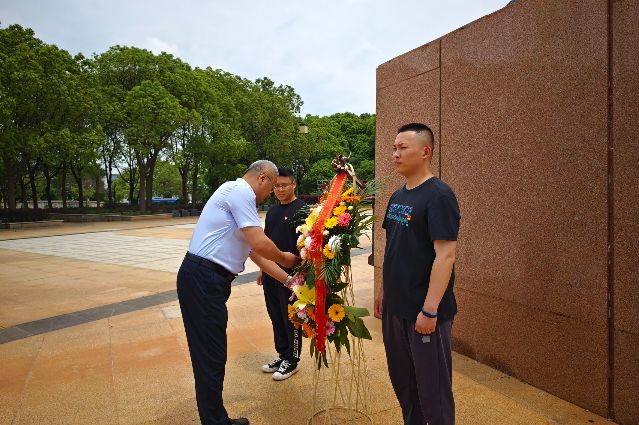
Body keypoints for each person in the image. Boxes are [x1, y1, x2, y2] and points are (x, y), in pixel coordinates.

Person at [177, 160, 299, 425]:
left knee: (211, 353)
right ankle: (216, 421)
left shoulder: (235, 196)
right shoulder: (240, 192)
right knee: (210, 354)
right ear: (263, 177)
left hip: (206, 280)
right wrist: (286, 258)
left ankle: (215, 418)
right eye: (271, 187)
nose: (270, 194)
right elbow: (260, 244)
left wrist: (289, 281)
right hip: (203, 279)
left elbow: (254, 253)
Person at [374, 123, 461, 425]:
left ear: (425, 152)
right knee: (405, 385)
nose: (395, 154)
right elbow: (393, 248)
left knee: (433, 392)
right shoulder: (398, 195)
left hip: (424, 312)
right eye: (394, 148)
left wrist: (430, 309)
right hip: (395, 308)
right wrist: (384, 291)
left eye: (403, 148)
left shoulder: (439, 196)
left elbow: (445, 255)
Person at [257, 166, 306, 380]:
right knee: (275, 314)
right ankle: (282, 354)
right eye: (276, 186)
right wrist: (263, 269)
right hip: (272, 273)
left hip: (292, 276)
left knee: (291, 318)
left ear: (293, 184)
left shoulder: (303, 210)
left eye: (284, 185)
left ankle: (292, 360)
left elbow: (307, 245)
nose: (280, 189)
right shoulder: (273, 211)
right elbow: (266, 242)